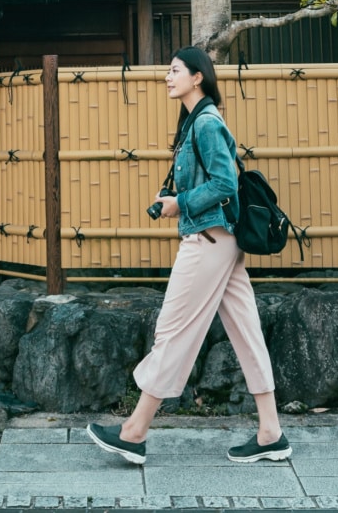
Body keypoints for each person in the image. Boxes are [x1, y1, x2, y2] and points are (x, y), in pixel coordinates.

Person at [87, 46, 290, 466]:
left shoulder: (208, 123)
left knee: (173, 332)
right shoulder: (196, 122)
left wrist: (180, 203)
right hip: (221, 242)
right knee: (247, 334)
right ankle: (271, 433)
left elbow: (225, 185)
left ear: (198, 77)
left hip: (209, 243)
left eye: (175, 70)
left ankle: (134, 431)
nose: (168, 77)